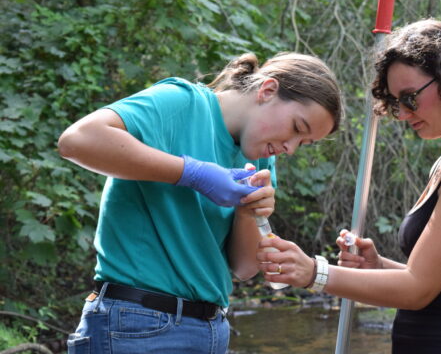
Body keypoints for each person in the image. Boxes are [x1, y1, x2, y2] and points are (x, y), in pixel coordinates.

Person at [257, 19, 441, 353]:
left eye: (410, 98)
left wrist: (313, 272)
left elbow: (418, 289)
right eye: (394, 102)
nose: (402, 114)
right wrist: (379, 268)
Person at [58, 52, 343, 354]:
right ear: (268, 90)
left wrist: (249, 213)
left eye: (303, 143)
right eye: (297, 129)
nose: (290, 148)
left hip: (209, 329)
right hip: (134, 323)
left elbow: (244, 268)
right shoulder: (182, 103)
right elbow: (77, 140)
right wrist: (191, 173)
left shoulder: (261, 157)